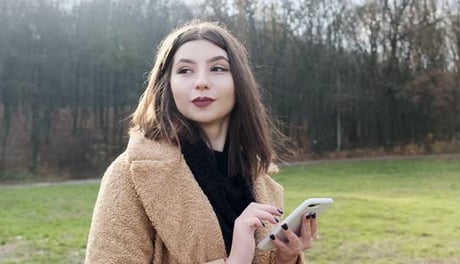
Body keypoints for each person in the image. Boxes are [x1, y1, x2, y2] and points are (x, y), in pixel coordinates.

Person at [85, 21, 319, 264]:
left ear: (239, 82)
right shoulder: (130, 174)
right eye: (185, 70)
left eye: (218, 68)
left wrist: (285, 258)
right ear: (168, 86)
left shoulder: (260, 179)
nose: (201, 82)